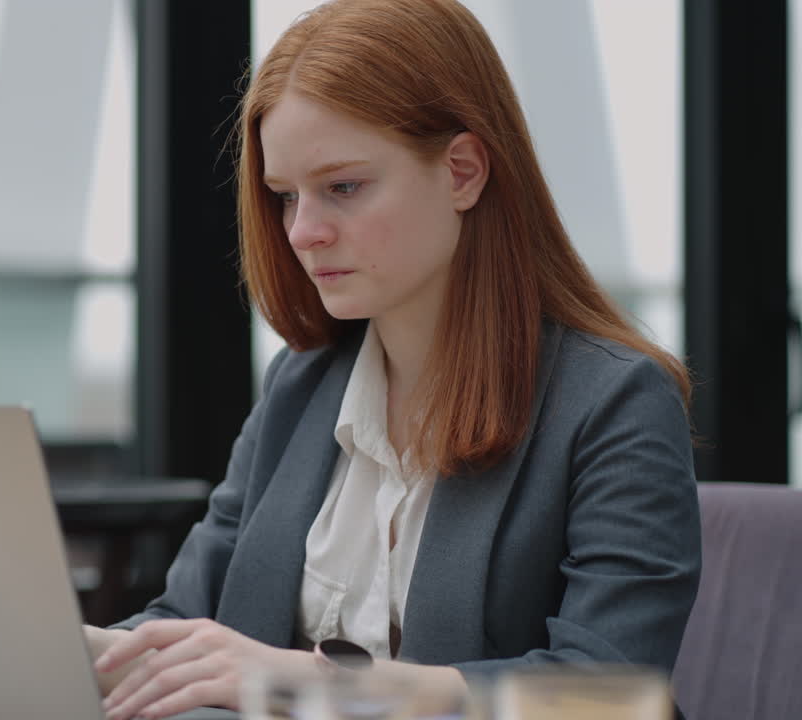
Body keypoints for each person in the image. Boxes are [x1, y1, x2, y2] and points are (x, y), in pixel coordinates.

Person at [86, 1, 701, 718]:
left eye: (343, 187)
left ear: (463, 172)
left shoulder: (613, 401)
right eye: (285, 197)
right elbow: (188, 619)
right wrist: (57, 649)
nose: (304, 232)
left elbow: (609, 693)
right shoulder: (302, 384)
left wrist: (311, 684)